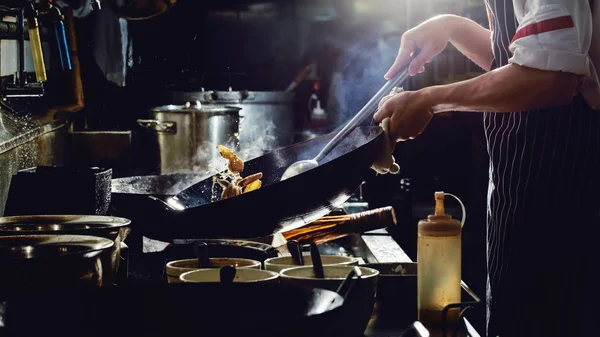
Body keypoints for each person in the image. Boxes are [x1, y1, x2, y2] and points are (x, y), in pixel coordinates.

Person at [374, 1, 600, 336]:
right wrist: (453, 27)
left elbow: (554, 77)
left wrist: (430, 100)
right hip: (522, 187)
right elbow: (529, 59)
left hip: (563, 193)